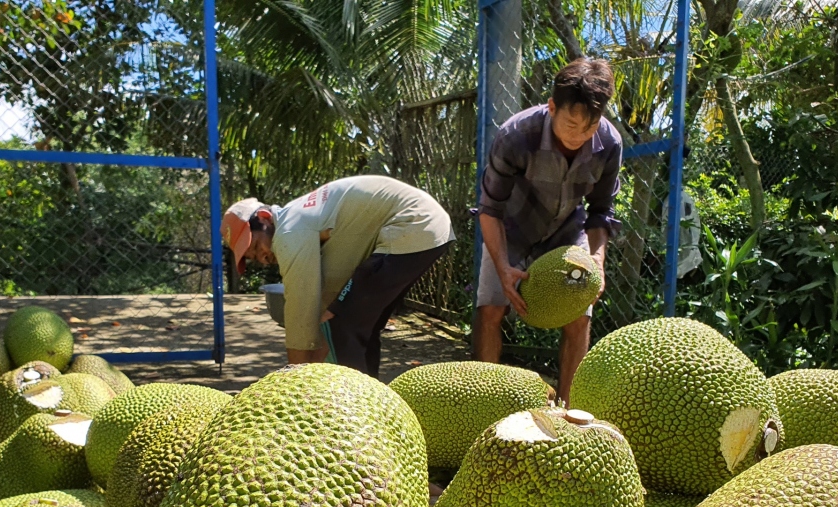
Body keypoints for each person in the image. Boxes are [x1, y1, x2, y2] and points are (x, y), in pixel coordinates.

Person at [474, 57, 623, 405]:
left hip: (567, 230)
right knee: (491, 307)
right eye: (571, 124)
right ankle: (483, 402)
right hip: (510, 227)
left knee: (578, 316)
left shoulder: (610, 143)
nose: (579, 136)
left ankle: (568, 410)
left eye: (589, 128)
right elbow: (490, 210)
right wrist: (502, 268)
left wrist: (597, 260)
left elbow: (601, 213)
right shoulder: (516, 134)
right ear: (552, 106)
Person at [222, 175, 455, 376]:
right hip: (425, 227)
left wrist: (293, 380)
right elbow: (328, 288)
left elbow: (300, 312)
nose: (261, 257)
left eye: (255, 246)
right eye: (252, 257)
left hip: (411, 225)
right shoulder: (300, 217)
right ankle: (370, 402)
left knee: (341, 324)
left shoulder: (289, 231)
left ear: (263, 218)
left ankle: (353, 409)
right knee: (360, 324)